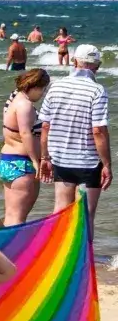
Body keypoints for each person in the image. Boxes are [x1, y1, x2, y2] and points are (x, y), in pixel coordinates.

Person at [40, 43, 110, 220]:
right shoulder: (97, 90)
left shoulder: (56, 87)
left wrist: (44, 157)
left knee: (59, 213)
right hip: (88, 163)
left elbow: (45, 126)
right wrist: (107, 164)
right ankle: (84, 249)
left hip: (61, 159)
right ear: (95, 66)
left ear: (74, 61)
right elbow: (98, 130)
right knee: (85, 217)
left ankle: (57, 248)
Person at [0, 68, 49, 225]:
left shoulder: (13, 98)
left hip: (9, 160)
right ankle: (11, 250)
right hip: (21, 163)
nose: (42, 94)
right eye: (42, 89)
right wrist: (36, 160)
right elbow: (25, 133)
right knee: (17, 217)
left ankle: (4, 247)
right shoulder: (25, 105)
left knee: (12, 214)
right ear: (33, 86)